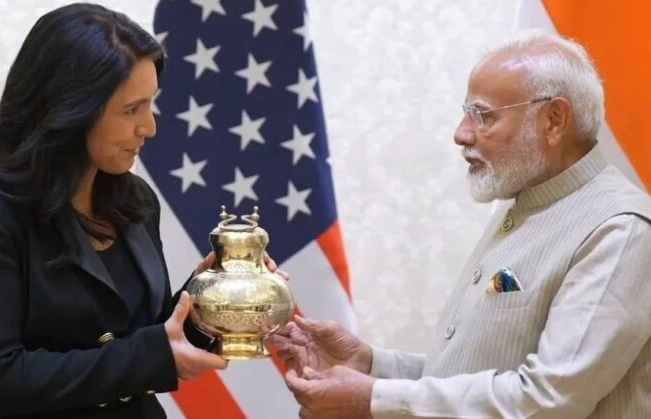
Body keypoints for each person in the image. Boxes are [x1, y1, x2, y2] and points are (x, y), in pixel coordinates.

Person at [274, 31, 651, 418]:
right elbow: (475, 376)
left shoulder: (620, 229)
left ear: (553, 121)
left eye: (483, 115)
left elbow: (547, 400)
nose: (461, 133)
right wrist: (371, 365)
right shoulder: (524, 205)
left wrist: (372, 399)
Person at [0, 3, 289, 418]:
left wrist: (211, 295)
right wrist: (152, 356)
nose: (149, 127)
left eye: (150, 104)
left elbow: (146, 338)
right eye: (131, 109)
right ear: (68, 110)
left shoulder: (136, 200)